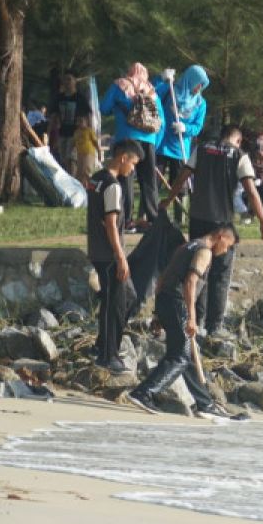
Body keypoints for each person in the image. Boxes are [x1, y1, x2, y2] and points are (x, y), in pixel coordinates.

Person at [162, 124, 263, 338]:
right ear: (237, 140)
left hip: (198, 220)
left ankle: (197, 321)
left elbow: (183, 176)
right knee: (220, 274)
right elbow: (251, 190)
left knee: (199, 269)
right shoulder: (238, 155)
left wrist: (168, 199)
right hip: (222, 225)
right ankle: (214, 327)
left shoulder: (201, 149)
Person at [126, 223, 238, 417]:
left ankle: (204, 404)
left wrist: (158, 313)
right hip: (178, 304)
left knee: (187, 355)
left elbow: (162, 278)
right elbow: (190, 282)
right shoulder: (205, 251)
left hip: (166, 301)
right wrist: (192, 317)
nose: (226, 250)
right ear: (220, 236)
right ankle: (144, 392)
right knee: (180, 356)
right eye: (228, 245)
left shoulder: (187, 246)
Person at [86, 139, 142, 374]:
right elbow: (110, 223)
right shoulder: (113, 186)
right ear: (123, 158)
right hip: (109, 254)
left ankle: (102, 346)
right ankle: (108, 355)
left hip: (97, 250)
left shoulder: (95, 178)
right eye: (133, 163)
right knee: (114, 304)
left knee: (127, 297)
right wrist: (121, 257)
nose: (133, 170)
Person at [99, 63, 166, 231]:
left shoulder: (120, 85)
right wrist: (154, 144)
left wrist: (118, 107)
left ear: (129, 72)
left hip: (126, 138)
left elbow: (103, 107)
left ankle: (127, 220)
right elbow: (162, 122)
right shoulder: (152, 91)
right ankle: (153, 218)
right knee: (149, 181)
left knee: (126, 178)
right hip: (149, 140)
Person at [155, 65, 210, 225]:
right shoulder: (169, 90)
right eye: (198, 83)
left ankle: (181, 218)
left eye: (202, 84)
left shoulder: (200, 103)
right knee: (154, 183)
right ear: (190, 80)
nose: (199, 87)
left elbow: (197, 127)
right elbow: (152, 94)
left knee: (180, 184)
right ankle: (150, 216)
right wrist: (162, 78)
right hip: (162, 144)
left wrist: (186, 128)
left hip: (180, 149)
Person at [48, 73, 90, 171]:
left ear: (75, 81)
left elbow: (87, 117)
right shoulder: (59, 98)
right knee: (62, 160)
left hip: (76, 134)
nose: (67, 82)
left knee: (71, 160)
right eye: (65, 80)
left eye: (69, 79)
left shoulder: (80, 98)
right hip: (62, 133)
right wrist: (49, 132)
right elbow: (54, 116)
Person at [73, 114, 101, 186]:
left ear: (86, 122)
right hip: (80, 154)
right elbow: (74, 143)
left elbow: (95, 142)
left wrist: (99, 152)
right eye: (78, 122)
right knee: (79, 171)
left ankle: (90, 186)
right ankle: (81, 186)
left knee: (86, 171)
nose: (79, 123)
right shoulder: (76, 132)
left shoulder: (89, 131)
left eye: (81, 121)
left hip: (88, 153)